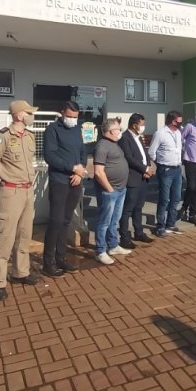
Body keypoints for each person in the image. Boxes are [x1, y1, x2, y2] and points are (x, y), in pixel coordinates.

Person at [0, 100, 40, 303]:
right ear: (18, 115)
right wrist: (1, 189)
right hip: (10, 192)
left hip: (27, 191)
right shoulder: (2, 137)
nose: (31, 115)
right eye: (28, 112)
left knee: (24, 234)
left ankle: (21, 272)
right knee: (4, 238)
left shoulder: (30, 136)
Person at [42, 101, 88, 277]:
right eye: (69, 116)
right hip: (59, 180)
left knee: (66, 221)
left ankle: (61, 257)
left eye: (75, 117)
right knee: (55, 220)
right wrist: (71, 167)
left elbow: (83, 152)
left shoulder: (77, 129)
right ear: (62, 113)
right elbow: (50, 156)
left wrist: (80, 170)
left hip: (76, 180)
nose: (72, 120)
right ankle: (48, 262)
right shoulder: (52, 129)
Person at [93, 118, 131, 265]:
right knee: (104, 222)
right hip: (110, 191)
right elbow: (98, 172)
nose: (120, 131)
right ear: (110, 131)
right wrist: (109, 188)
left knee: (114, 221)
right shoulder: (102, 146)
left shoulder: (114, 144)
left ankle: (113, 245)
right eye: (118, 129)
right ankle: (100, 250)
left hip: (120, 189)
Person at [118, 113, 154, 248]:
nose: (143, 127)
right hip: (133, 178)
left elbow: (145, 154)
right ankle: (124, 237)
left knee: (138, 207)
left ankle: (139, 232)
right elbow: (129, 157)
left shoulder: (138, 137)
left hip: (143, 178)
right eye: (142, 125)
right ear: (134, 125)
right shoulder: (125, 138)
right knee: (127, 209)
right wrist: (144, 168)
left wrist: (148, 168)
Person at [149, 110, 184, 237]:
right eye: (179, 121)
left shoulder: (178, 133)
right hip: (166, 170)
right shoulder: (160, 134)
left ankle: (170, 223)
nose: (181, 123)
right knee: (164, 199)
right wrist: (160, 164)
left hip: (177, 169)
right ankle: (160, 226)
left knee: (176, 198)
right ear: (173, 121)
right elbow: (152, 152)